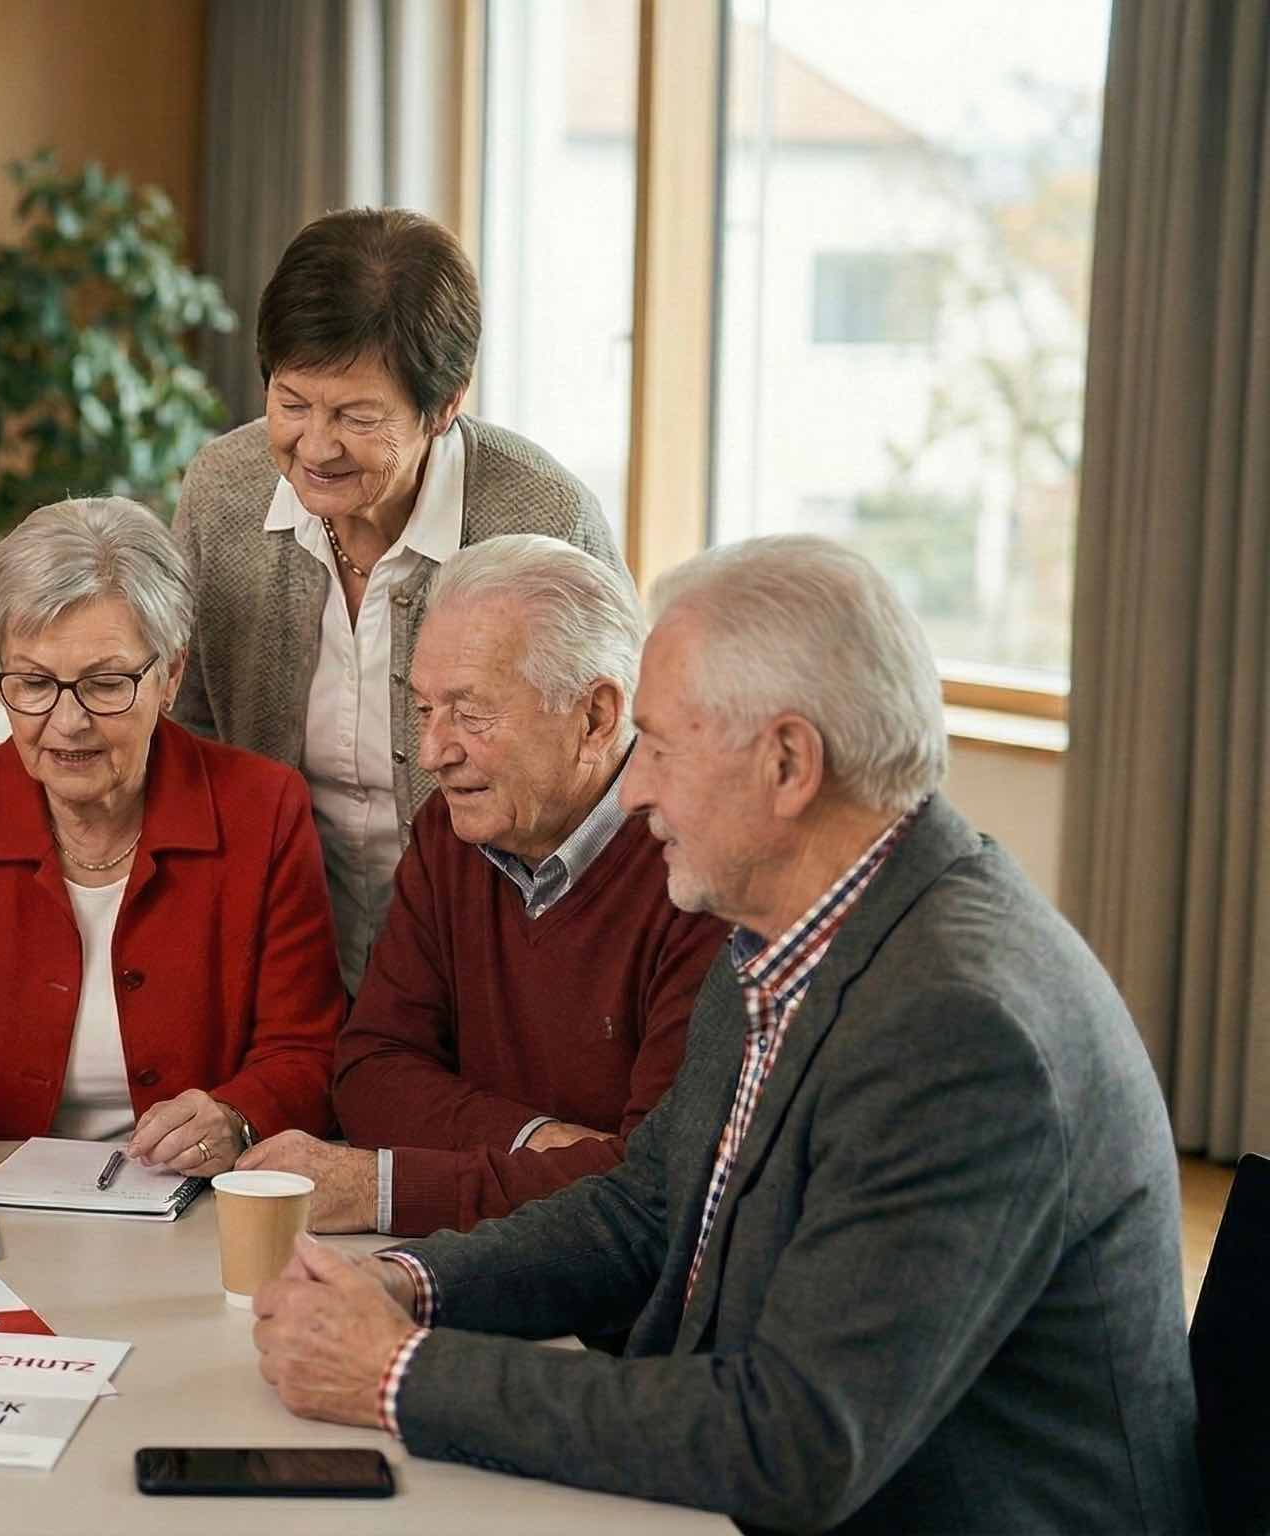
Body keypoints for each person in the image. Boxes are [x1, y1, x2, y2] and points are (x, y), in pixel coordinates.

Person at [248, 536, 1202, 1533]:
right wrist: (411, 1283)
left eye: (659, 746)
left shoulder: (957, 1028)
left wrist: (397, 1374)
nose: (635, 789)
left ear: (786, 763)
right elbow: (647, 1209)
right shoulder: (787, 928)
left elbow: (791, 1441)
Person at [171, 208, 620, 994]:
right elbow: (191, 730)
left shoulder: (544, 518)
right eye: (292, 403)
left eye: (357, 416)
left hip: (497, 966)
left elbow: (613, 772)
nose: (315, 446)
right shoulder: (224, 492)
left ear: (444, 404)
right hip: (283, 965)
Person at [238, 536, 722, 1236]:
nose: (433, 753)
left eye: (469, 713)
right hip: (485, 1261)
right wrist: (535, 1140)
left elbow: (655, 1185)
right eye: (424, 709)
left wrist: (387, 1187)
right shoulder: (453, 830)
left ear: (596, 717)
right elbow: (370, 1072)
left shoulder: (701, 872)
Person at [0, 498, 343, 1185]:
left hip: (197, 1200)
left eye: (105, 683)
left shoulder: (261, 809)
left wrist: (236, 1114)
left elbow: (306, 1049)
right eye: (32, 682)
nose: (68, 721)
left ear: (170, 675)